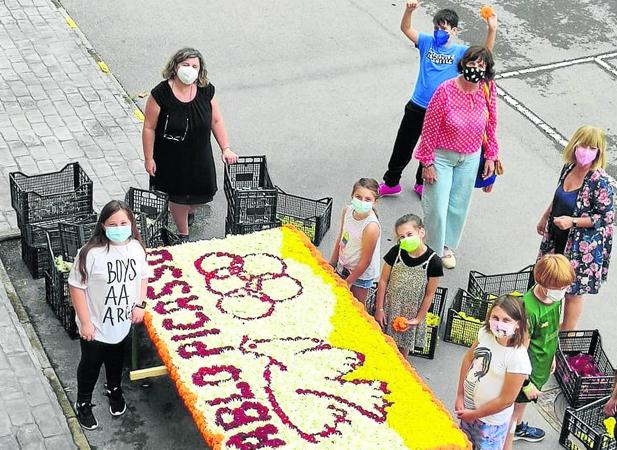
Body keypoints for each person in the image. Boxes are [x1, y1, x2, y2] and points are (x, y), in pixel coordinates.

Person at [379, 1, 497, 198]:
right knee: (403, 145)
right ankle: (391, 181)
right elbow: (406, 28)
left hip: (441, 110)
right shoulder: (426, 42)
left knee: (430, 145)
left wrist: (491, 30)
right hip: (417, 105)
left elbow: (485, 54)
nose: (438, 32)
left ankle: (420, 183)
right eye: (436, 27)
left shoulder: (460, 52)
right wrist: (409, 11)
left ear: (454, 30)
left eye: (443, 28)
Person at [414, 46, 498, 268]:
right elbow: (429, 127)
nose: (476, 69)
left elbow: (491, 123)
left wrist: (490, 156)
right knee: (437, 206)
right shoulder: (445, 90)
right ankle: (431, 249)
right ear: (463, 64)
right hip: (442, 156)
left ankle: (445, 246)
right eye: (472, 63)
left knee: (458, 205)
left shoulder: (487, 90)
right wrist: (427, 162)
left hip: (470, 157)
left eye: (481, 66)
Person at [142, 47, 238, 242]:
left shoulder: (205, 90)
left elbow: (216, 121)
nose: (190, 69)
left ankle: (185, 211)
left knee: (202, 193)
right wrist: (149, 158)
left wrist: (225, 148)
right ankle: (182, 233)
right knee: (177, 197)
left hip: (199, 155)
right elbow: (149, 127)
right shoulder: (160, 94)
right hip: (171, 158)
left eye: (194, 66)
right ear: (175, 67)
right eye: (185, 65)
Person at [68, 200, 149, 430]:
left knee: (115, 361)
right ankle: (83, 401)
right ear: (103, 225)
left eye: (124, 222)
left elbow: (143, 276)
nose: (119, 227)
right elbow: (76, 287)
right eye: (113, 223)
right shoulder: (90, 254)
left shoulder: (135, 248)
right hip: (95, 326)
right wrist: (85, 322)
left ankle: (114, 390)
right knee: (91, 364)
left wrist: (140, 304)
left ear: (131, 224)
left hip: (122, 322)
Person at [536, 125, 614, 330]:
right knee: (548, 280)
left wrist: (573, 221)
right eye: (582, 145)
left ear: (599, 152)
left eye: (592, 147)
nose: (586, 150)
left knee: (572, 292)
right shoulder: (568, 168)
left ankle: (566, 334)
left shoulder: (600, 181)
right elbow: (559, 196)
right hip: (558, 235)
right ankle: (543, 326)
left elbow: (606, 217)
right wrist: (545, 217)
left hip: (582, 247)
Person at [504, 254, 576, 448]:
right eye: (559, 288)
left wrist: (551, 356)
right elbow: (519, 352)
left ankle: (516, 427)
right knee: (515, 409)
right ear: (543, 283)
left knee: (521, 406)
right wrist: (526, 383)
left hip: (541, 364)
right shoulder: (529, 310)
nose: (563, 291)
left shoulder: (554, 298)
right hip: (527, 372)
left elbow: (552, 330)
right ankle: (509, 436)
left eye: (565, 287)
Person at [455, 295, 531, 450]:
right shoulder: (485, 333)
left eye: (506, 320)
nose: (499, 324)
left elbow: (506, 400)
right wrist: (460, 395)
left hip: (491, 423)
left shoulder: (518, 358)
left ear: (518, 324)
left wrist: (475, 415)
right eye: (495, 317)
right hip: (468, 409)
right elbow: (468, 360)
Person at [374, 214, 443, 355]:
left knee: (402, 351)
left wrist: (418, 319)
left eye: (409, 234)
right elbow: (383, 280)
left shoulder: (433, 261)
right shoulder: (396, 252)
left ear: (421, 232)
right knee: (381, 344)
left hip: (409, 315)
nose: (405, 239)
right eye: (401, 237)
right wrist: (379, 309)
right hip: (389, 307)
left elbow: (429, 294)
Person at [329, 178, 381, 305]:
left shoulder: (371, 227)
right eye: (358, 197)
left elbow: (366, 261)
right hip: (344, 265)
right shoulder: (347, 211)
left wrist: (349, 281)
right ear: (352, 196)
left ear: (375, 202)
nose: (362, 201)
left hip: (360, 275)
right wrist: (332, 263)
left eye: (368, 199)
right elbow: (341, 237)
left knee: (355, 306)